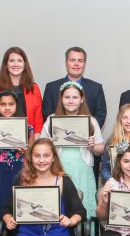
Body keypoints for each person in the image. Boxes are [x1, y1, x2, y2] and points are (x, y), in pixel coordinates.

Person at [40, 81, 105, 221]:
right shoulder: (51, 120)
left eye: (75, 97)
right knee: (59, 208)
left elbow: (100, 149)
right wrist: (49, 143)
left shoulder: (91, 121)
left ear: (81, 99)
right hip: (58, 169)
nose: (71, 101)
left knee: (83, 209)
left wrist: (93, 146)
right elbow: (40, 146)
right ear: (61, 99)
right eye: (67, 97)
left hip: (82, 170)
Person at [0, 91, 36, 222]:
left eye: (11, 104)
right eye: (3, 104)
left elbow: (33, 155)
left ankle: (18, 235)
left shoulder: (27, 127)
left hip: (20, 169)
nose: (7, 108)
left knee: (19, 204)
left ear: (17, 105)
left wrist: (24, 152)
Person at [42, 47, 107, 128]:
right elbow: (47, 114)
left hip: (88, 138)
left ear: (84, 64)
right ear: (66, 63)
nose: (76, 64)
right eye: (72, 60)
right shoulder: (51, 88)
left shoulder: (96, 88)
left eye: (80, 60)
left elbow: (100, 115)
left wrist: (87, 132)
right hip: (58, 137)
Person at [0, 47, 44, 136]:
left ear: (24, 64)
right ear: (6, 64)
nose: (16, 64)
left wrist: (35, 140)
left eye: (20, 61)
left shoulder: (34, 88)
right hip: (2, 139)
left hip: (29, 140)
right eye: (12, 60)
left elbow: (38, 118)